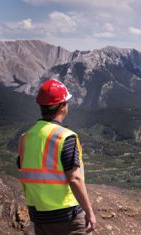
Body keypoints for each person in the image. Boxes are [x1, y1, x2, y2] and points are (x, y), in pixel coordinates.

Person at [16, 79, 96, 234]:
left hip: (39, 215)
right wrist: (89, 212)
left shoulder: (25, 138)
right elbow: (74, 178)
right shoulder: (65, 137)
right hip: (67, 215)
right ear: (62, 106)